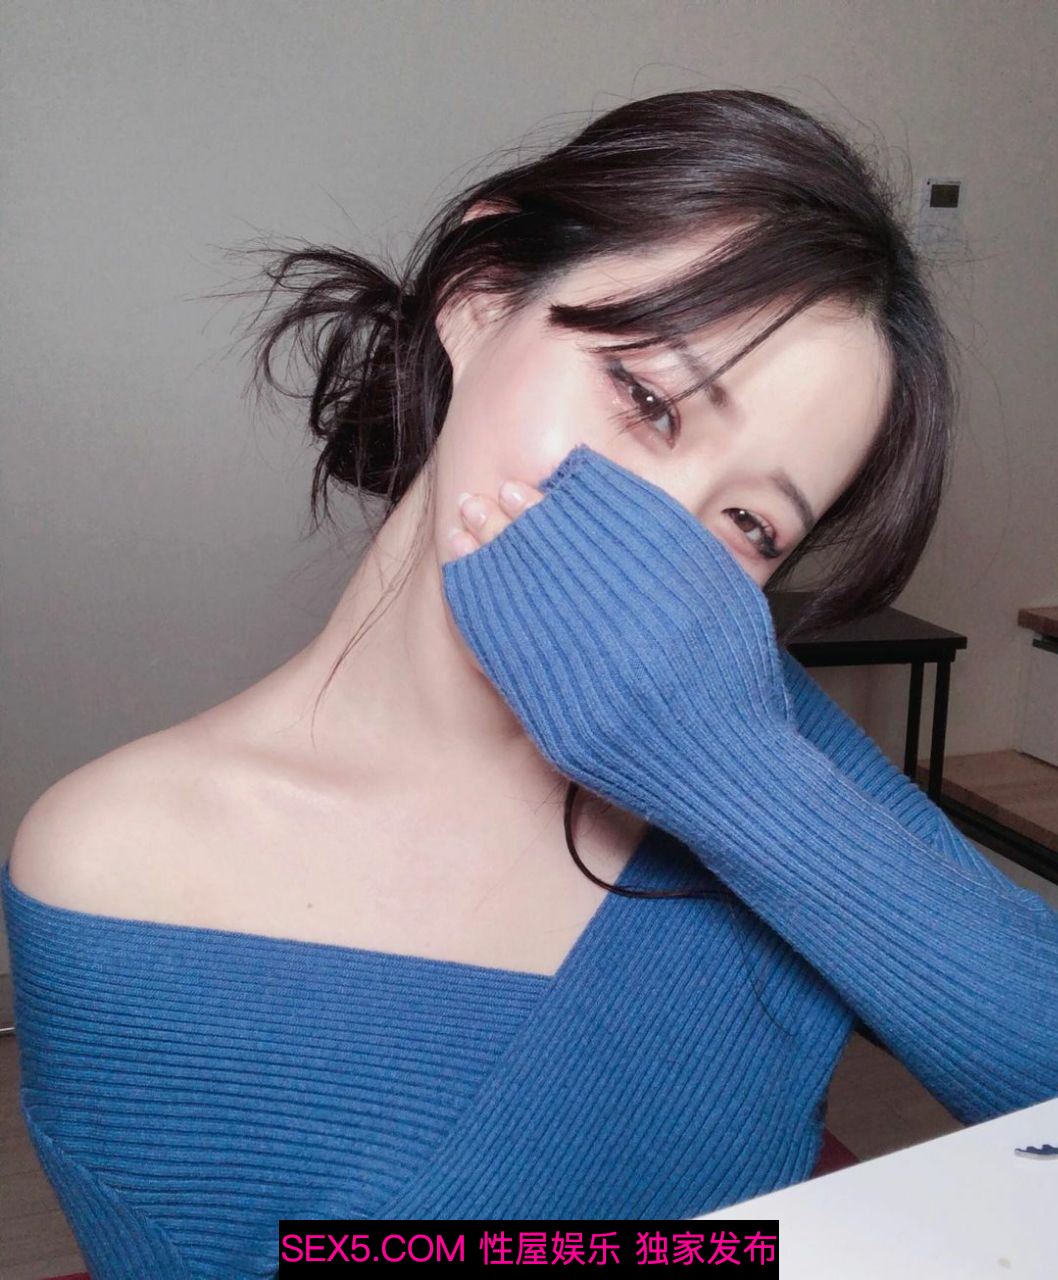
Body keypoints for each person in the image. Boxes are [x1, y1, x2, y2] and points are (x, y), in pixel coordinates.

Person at [4, 89, 1056, 1277]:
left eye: (750, 526)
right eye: (646, 400)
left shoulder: (754, 734)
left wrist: (733, 777)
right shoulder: (117, 860)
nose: (657, 544)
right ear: (480, 295)